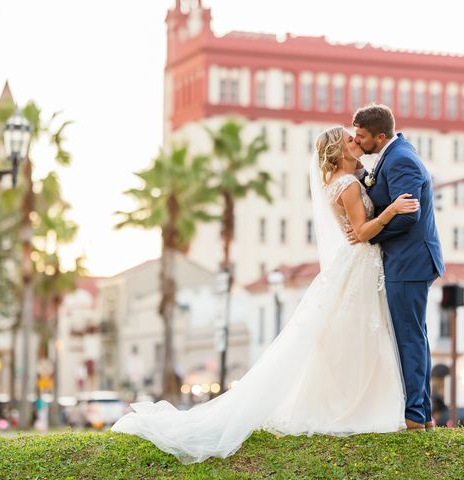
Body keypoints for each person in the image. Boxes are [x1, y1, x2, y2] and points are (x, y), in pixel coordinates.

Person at [111, 125, 419, 464]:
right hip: (360, 265)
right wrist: (392, 210)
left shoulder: (345, 182)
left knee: (354, 336)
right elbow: (360, 232)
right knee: (358, 336)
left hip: (361, 267)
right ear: (338, 151)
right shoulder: (346, 186)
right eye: (350, 139)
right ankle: (356, 408)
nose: (356, 141)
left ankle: (360, 406)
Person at [349, 104, 445, 431]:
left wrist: (370, 235)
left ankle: (415, 416)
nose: (356, 141)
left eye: (361, 136)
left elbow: (408, 214)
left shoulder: (401, 158)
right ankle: (423, 414)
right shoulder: (394, 154)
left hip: (410, 261)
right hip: (408, 260)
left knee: (409, 337)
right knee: (413, 335)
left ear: (380, 136)